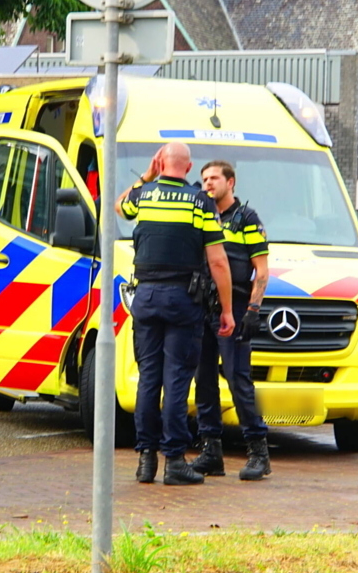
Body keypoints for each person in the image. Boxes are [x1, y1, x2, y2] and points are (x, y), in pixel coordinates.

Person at [116, 142, 235, 486]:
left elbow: (119, 207)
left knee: (149, 380)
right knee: (177, 381)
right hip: (183, 299)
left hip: (146, 296)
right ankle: (174, 462)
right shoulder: (200, 202)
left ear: (160, 162)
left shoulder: (144, 195)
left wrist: (146, 175)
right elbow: (217, 261)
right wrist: (227, 310)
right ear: (189, 167)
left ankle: (145, 460)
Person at [191, 160, 272, 481]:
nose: (208, 184)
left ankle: (258, 453)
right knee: (204, 380)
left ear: (231, 182)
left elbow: (261, 270)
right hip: (203, 307)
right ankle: (211, 451)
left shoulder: (247, 219)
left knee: (238, 379)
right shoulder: (201, 215)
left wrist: (253, 310)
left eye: (214, 178)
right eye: (204, 179)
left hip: (235, 307)